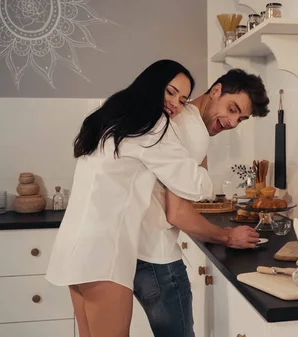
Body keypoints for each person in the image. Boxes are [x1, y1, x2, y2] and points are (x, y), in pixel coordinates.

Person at [45, 60, 218, 337]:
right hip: (103, 256)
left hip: (73, 250)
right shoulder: (153, 126)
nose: (175, 103)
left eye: (183, 100)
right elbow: (195, 186)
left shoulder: (112, 117)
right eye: (171, 92)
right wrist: (201, 155)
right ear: (152, 84)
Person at [133, 69, 270, 337]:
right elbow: (178, 213)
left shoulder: (180, 120)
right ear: (216, 90)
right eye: (232, 109)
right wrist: (228, 237)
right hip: (158, 257)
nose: (232, 122)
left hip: (137, 252)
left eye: (240, 119)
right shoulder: (192, 129)